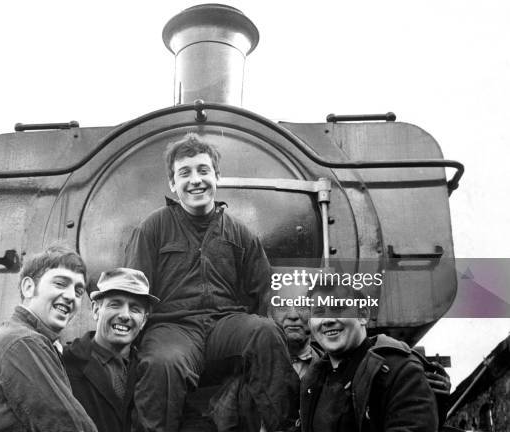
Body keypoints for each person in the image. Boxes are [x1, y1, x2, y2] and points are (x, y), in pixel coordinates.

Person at [124, 133, 299, 432]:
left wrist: (254, 324)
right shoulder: (153, 228)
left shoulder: (240, 233)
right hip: (173, 328)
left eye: (203, 171)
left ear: (217, 176)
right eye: (185, 173)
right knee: (163, 363)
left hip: (224, 324)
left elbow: (264, 290)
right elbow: (135, 289)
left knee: (265, 333)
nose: (196, 180)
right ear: (172, 183)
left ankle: (286, 426)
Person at [0, 245, 97, 432]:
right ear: (28, 287)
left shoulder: (13, 337)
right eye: (60, 284)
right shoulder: (23, 343)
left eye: (78, 291)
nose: (71, 296)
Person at [300, 283, 439, 432]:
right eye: (319, 312)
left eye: (338, 308)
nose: (327, 320)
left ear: (363, 315)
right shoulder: (311, 379)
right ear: (310, 323)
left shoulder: (401, 371)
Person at [63, 268, 160, 432]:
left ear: (143, 321)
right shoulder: (64, 362)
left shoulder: (151, 370)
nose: (125, 315)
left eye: (135, 309)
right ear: (96, 310)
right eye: (115, 304)